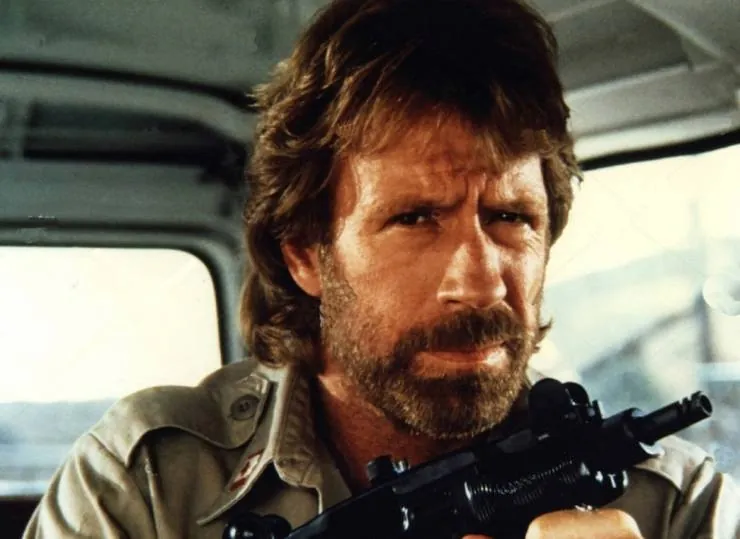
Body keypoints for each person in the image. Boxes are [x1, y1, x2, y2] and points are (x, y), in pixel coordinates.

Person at [24, 0, 740, 537]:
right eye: (416, 219)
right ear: (305, 253)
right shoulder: (149, 486)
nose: (480, 281)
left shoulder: (679, 507)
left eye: (510, 217)